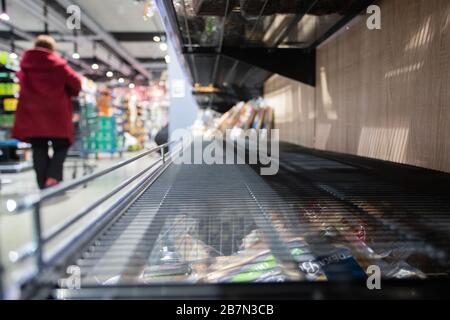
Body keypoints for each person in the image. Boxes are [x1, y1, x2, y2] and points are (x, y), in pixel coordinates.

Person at [12, 35, 82, 189]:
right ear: (51, 49)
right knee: (62, 144)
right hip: (56, 112)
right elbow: (76, 83)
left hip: (33, 114)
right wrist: (69, 92)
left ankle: (42, 183)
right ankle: (53, 176)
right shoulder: (58, 65)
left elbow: (20, 85)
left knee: (38, 147)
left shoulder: (25, 65)